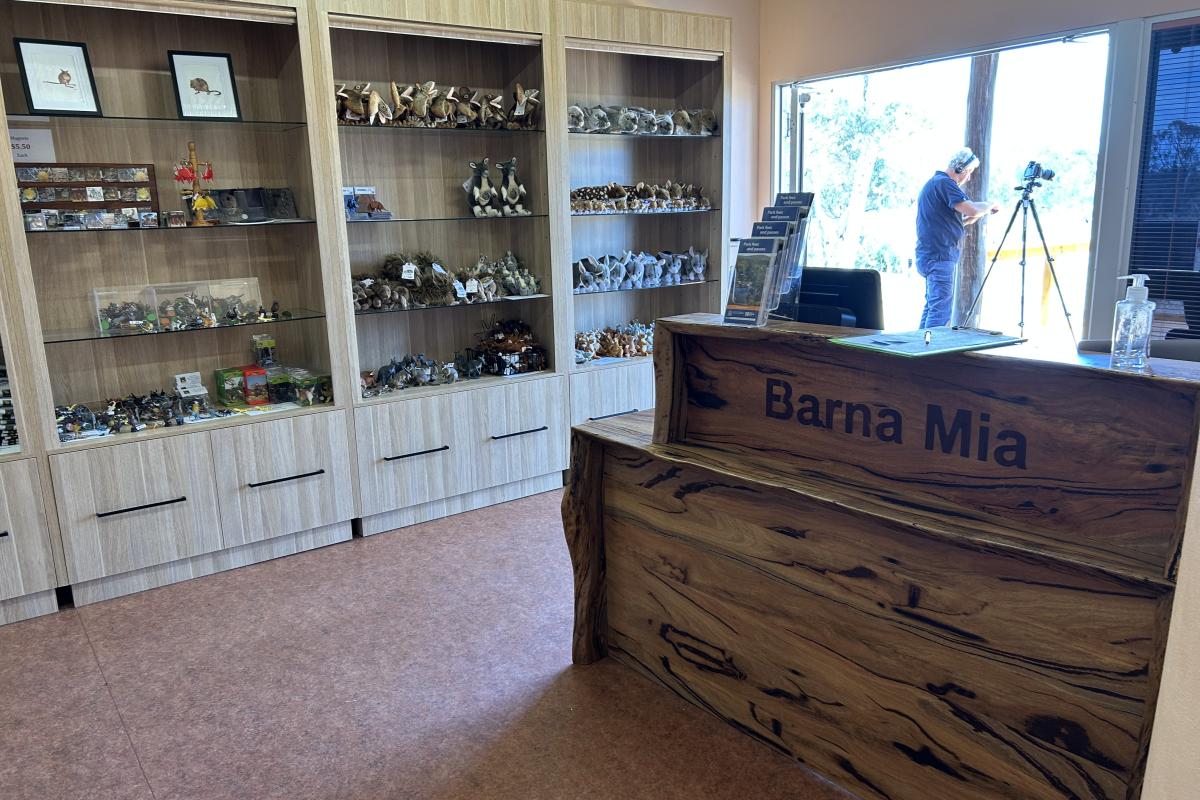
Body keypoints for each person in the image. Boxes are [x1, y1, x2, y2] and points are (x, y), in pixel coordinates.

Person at [915, 148, 998, 328]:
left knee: (933, 307)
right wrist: (989, 204)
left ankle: (920, 348)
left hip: (930, 256)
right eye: (969, 172)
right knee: (940, 312)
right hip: (939, 257)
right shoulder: (945, 183)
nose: (968, 178)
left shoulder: (934, 183)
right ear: (960, 168)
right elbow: (973, 209)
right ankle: (929, 353)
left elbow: (957, 220)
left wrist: (976, 214)